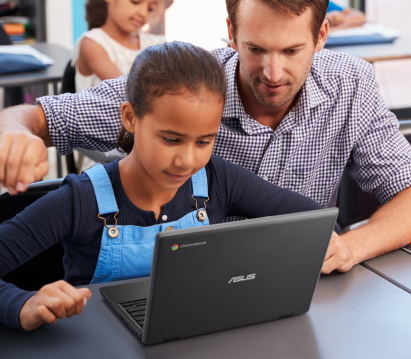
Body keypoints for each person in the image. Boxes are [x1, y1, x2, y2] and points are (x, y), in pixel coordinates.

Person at [0, 0, 411, 274]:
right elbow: (38, 118)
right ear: (231, 32)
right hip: (184, 287)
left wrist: (350, 247)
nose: (273, 72)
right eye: (256, 49)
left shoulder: (352, 84)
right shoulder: (185, 86)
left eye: (291, 50)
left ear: (322, 34)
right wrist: (11, 127)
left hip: (293, 287)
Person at [0, 41, 323, 331]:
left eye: (204, 141)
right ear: (130, 118)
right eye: (171, 139)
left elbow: (315, 224)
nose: (186, 160)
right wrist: (22, 305)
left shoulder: (218, 180)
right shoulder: (80, 201)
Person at [75, 0, 165, 92]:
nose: (143, 13)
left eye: (150, 8)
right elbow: (128, 91)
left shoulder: (154, 44)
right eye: (135, 1)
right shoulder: (92, 44)